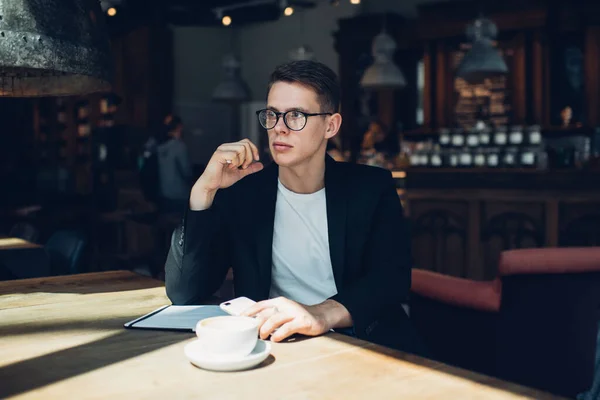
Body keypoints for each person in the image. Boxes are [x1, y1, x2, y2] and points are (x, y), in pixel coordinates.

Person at [165, 60, 424, 355]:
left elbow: (391, 280)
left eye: (296, 116)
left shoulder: (370, 187)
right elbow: (185, 292)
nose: (279, 129)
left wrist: (321, 314)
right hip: (277, 346)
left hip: (363, 342)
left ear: (331, 125)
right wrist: (203, 191)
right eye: (273, 115)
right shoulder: (243, 193)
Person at [156, 115, 193, 213]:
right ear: (179, 127)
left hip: (164, 193)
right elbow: (187, 172)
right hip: (179, 195)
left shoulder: (160, 146)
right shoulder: (179, 147)